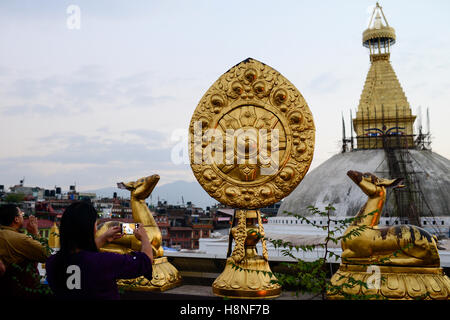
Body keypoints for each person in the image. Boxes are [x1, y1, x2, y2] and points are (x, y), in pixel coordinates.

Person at [45, 201, 153, 300]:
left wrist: (104, 238)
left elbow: (80, 257)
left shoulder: (52, 263)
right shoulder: (105, 262)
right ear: (90, 229)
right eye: (95, 225)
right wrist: (144, 237)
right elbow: (146, 261)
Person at [0, 204, 49, 297]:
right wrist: (35, 233)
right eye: (21, 214)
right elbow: (46, 254)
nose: (23, 216)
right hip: (21, 291)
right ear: (16, 219)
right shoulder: (20, 239)